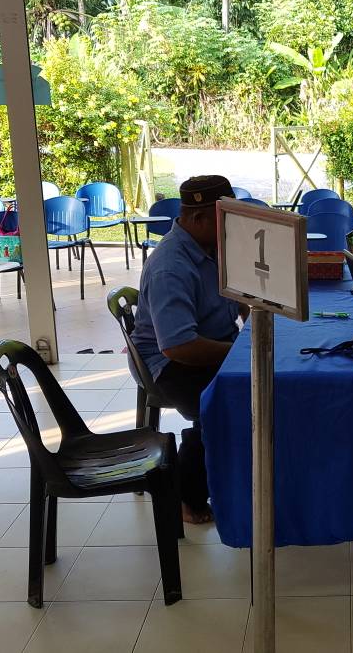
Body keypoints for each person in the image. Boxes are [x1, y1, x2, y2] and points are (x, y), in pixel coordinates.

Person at [130, 175, 249, 524]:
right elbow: (178, 346)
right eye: (225, 220)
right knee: (232, 398)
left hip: (208, 344)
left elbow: (236, 295)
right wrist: (240, 352)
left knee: (264, 382)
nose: (232, 228)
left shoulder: (210, 246)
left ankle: (246, 471)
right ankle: (187, 495)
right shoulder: (171, 266)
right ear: (198, 218)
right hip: (169, 363)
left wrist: (249, 316)